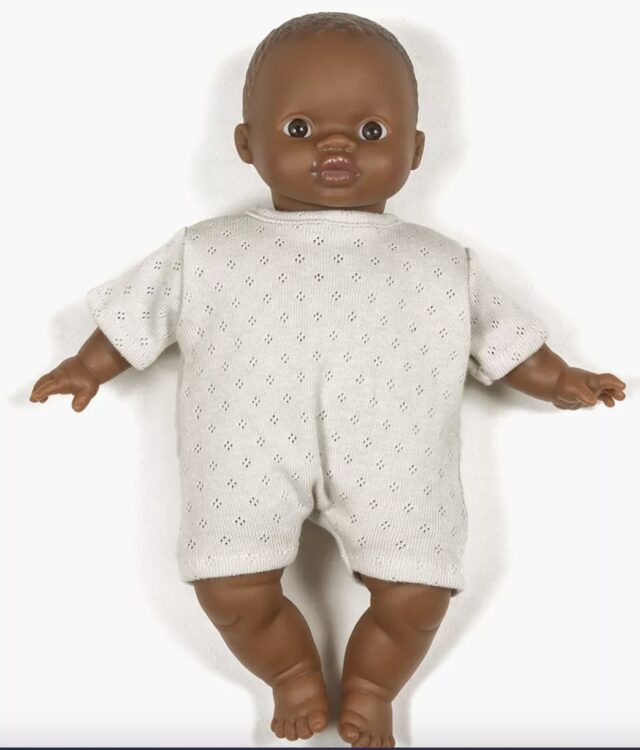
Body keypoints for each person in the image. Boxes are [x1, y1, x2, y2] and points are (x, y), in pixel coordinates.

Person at [29, 12, 626, 748]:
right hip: (243, 456)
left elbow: (501, 336)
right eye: (300, 128)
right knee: (229, 586)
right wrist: (88, 365)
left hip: (397, 458)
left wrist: (561, 377)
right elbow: (139, 314)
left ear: (415, 150)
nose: (336, 146)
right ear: (246, 144)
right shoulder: (208, 252)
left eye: (371, 131)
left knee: (419, 594)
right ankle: (290, 673)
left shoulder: (441, 263)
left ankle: (373, 688)